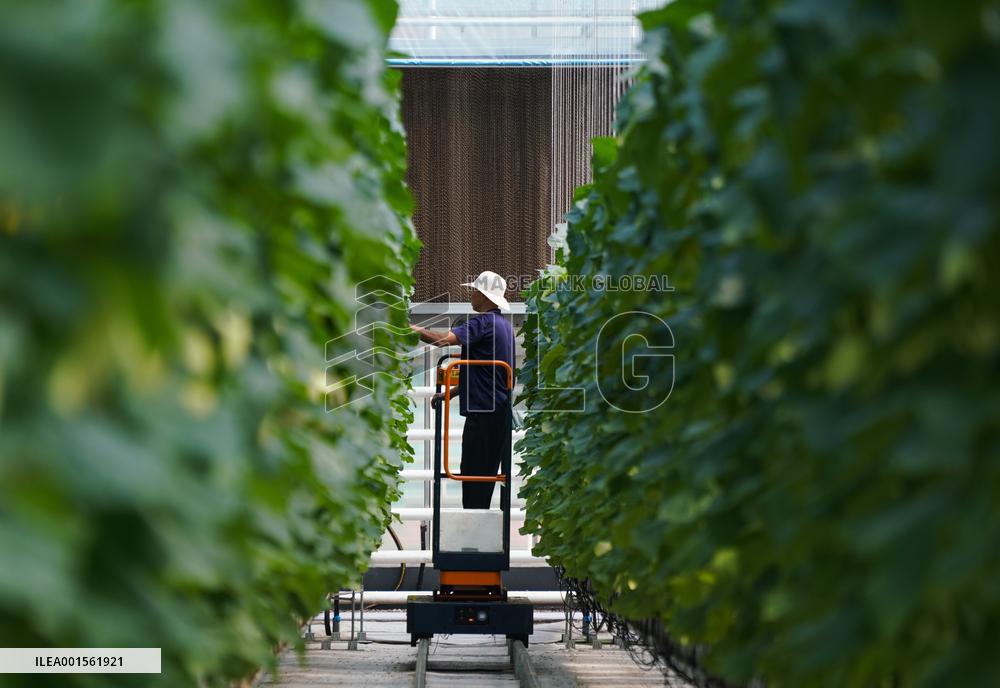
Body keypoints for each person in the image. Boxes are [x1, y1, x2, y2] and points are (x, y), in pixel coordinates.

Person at [410, 270, 515, 509]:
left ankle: (475, 539)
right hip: (497, 414)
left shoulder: (482, 323)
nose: (472, 295)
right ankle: (479, 533)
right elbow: (486, 373)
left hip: (483, 416)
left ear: (484, 296)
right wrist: (449, 393)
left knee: (474, 476)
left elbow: (441, 340)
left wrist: (414, 330)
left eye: (474, 291)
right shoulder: (504, 327)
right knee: (483, 476)